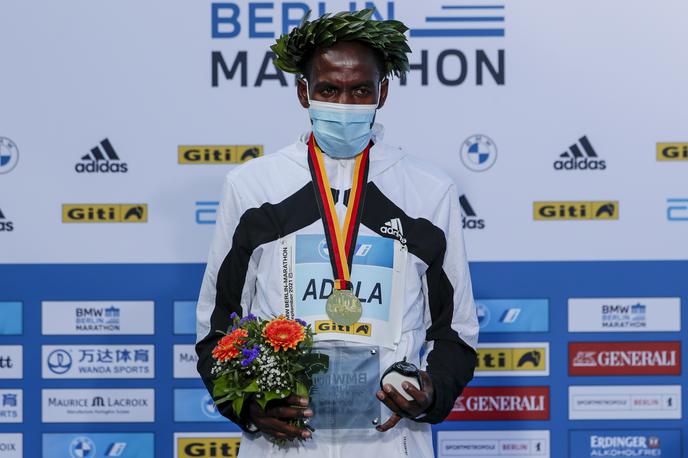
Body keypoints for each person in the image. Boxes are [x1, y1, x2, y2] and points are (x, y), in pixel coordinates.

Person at [195, 9, 478, 457]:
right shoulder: (251, 187)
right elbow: (217, 327)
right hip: (283, 444)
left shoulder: (428, 191)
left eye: (360, 90)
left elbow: (455, 331)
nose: (343, 105)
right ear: (303, 92)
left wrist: (430, 394)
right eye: (329, 89)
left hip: (390, 442)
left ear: (382, 92)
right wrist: (249, 406)